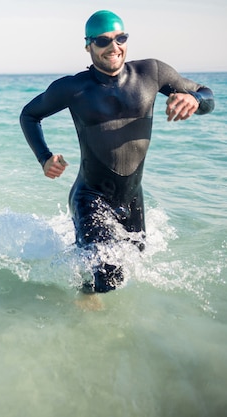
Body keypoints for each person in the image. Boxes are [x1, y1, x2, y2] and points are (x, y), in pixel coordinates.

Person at [20, 10, 214, 293]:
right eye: (103, 41)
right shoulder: (74, 88)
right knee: (108, 273)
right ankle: (88, 314)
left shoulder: (151, 73)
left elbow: (208, 96)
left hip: (132, 196)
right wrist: (44, 157)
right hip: (90, 196)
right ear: (88, 46)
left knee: (130, 265)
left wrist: (194, 99)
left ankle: (89, 302)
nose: (114, 47)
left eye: (120, 38)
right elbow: (29, 115)